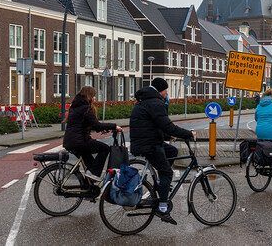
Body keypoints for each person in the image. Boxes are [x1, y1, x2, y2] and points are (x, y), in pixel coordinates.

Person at [130, 78, 194, 225]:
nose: (167, 94)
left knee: (171, 151)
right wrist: (187, 134)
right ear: (160, 90)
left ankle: (161, 184)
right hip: (149, 145)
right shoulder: (155, 102)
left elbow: (152, 125)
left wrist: (167, 136)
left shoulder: (145, 100)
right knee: (167, 172)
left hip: (145, 141)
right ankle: (163, 208)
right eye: (166, 91)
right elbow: (167, 125)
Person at [63, 86, 122, 183]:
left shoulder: (75, 107)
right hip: (80, 142)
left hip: (71, 141)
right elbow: (97, 125)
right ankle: (94, 174)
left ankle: (89, 187)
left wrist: (103, 129)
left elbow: (87, 124)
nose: (94, 98)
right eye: (93, 96)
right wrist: (114, 126)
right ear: (89, 96)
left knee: (90, 166)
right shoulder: (86, 108)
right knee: (104, 148)